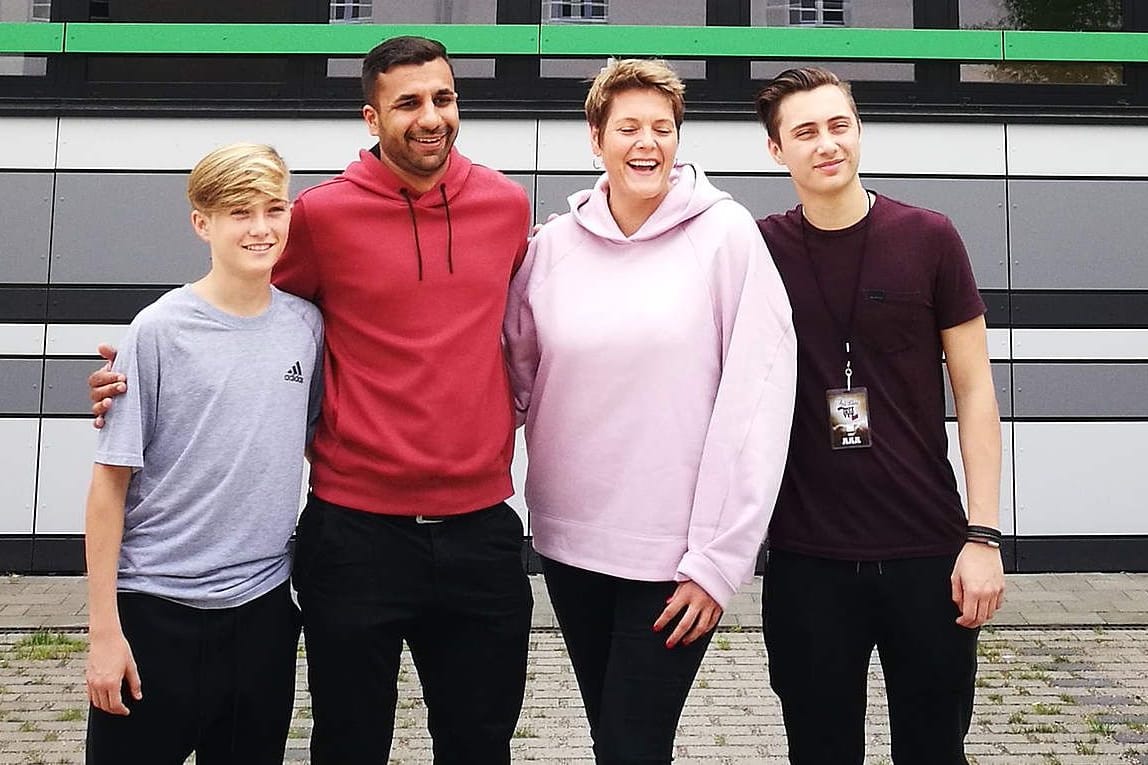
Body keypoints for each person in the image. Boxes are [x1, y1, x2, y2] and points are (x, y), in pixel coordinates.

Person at [88, 36, 534, 765]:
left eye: (444, 98)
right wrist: (138, 368)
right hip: (355, 535)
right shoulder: (321, 217)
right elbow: (246, 307)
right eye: (408, 103)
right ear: (371, 117)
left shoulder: (507, 207)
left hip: (480, 529)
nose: (431, 117)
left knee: (481, 743)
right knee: (351, 744)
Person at [503, 59, 797, 764]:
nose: (648, 142)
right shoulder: (551, 250)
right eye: (628, 126)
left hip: (673, 559)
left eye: (663, 128)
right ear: (595, 138)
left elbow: (758, 398)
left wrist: (719, 561)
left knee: (634, 744)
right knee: (617, 738)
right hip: (569, 544)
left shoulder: (725, 235)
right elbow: (513, 378)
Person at [753, 66, 1006, 764]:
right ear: (777, 151)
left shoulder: (930, 237)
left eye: (839, 125)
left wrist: (982, 536)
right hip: (808, 559)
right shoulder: (756, 249)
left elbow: (976, 389)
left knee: (933, 749)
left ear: (859, 131)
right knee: (820, 750)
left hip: (928, 553)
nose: (826, 143)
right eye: (804, 131)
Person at [83, 143, 323, 764]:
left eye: (274, 209)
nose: (261, 228)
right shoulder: (158, 330)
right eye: (240, 212)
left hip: (262, 612)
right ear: (202, 223)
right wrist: (104, 633)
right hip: (156, 611)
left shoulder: (306, 326)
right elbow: (109, 486)